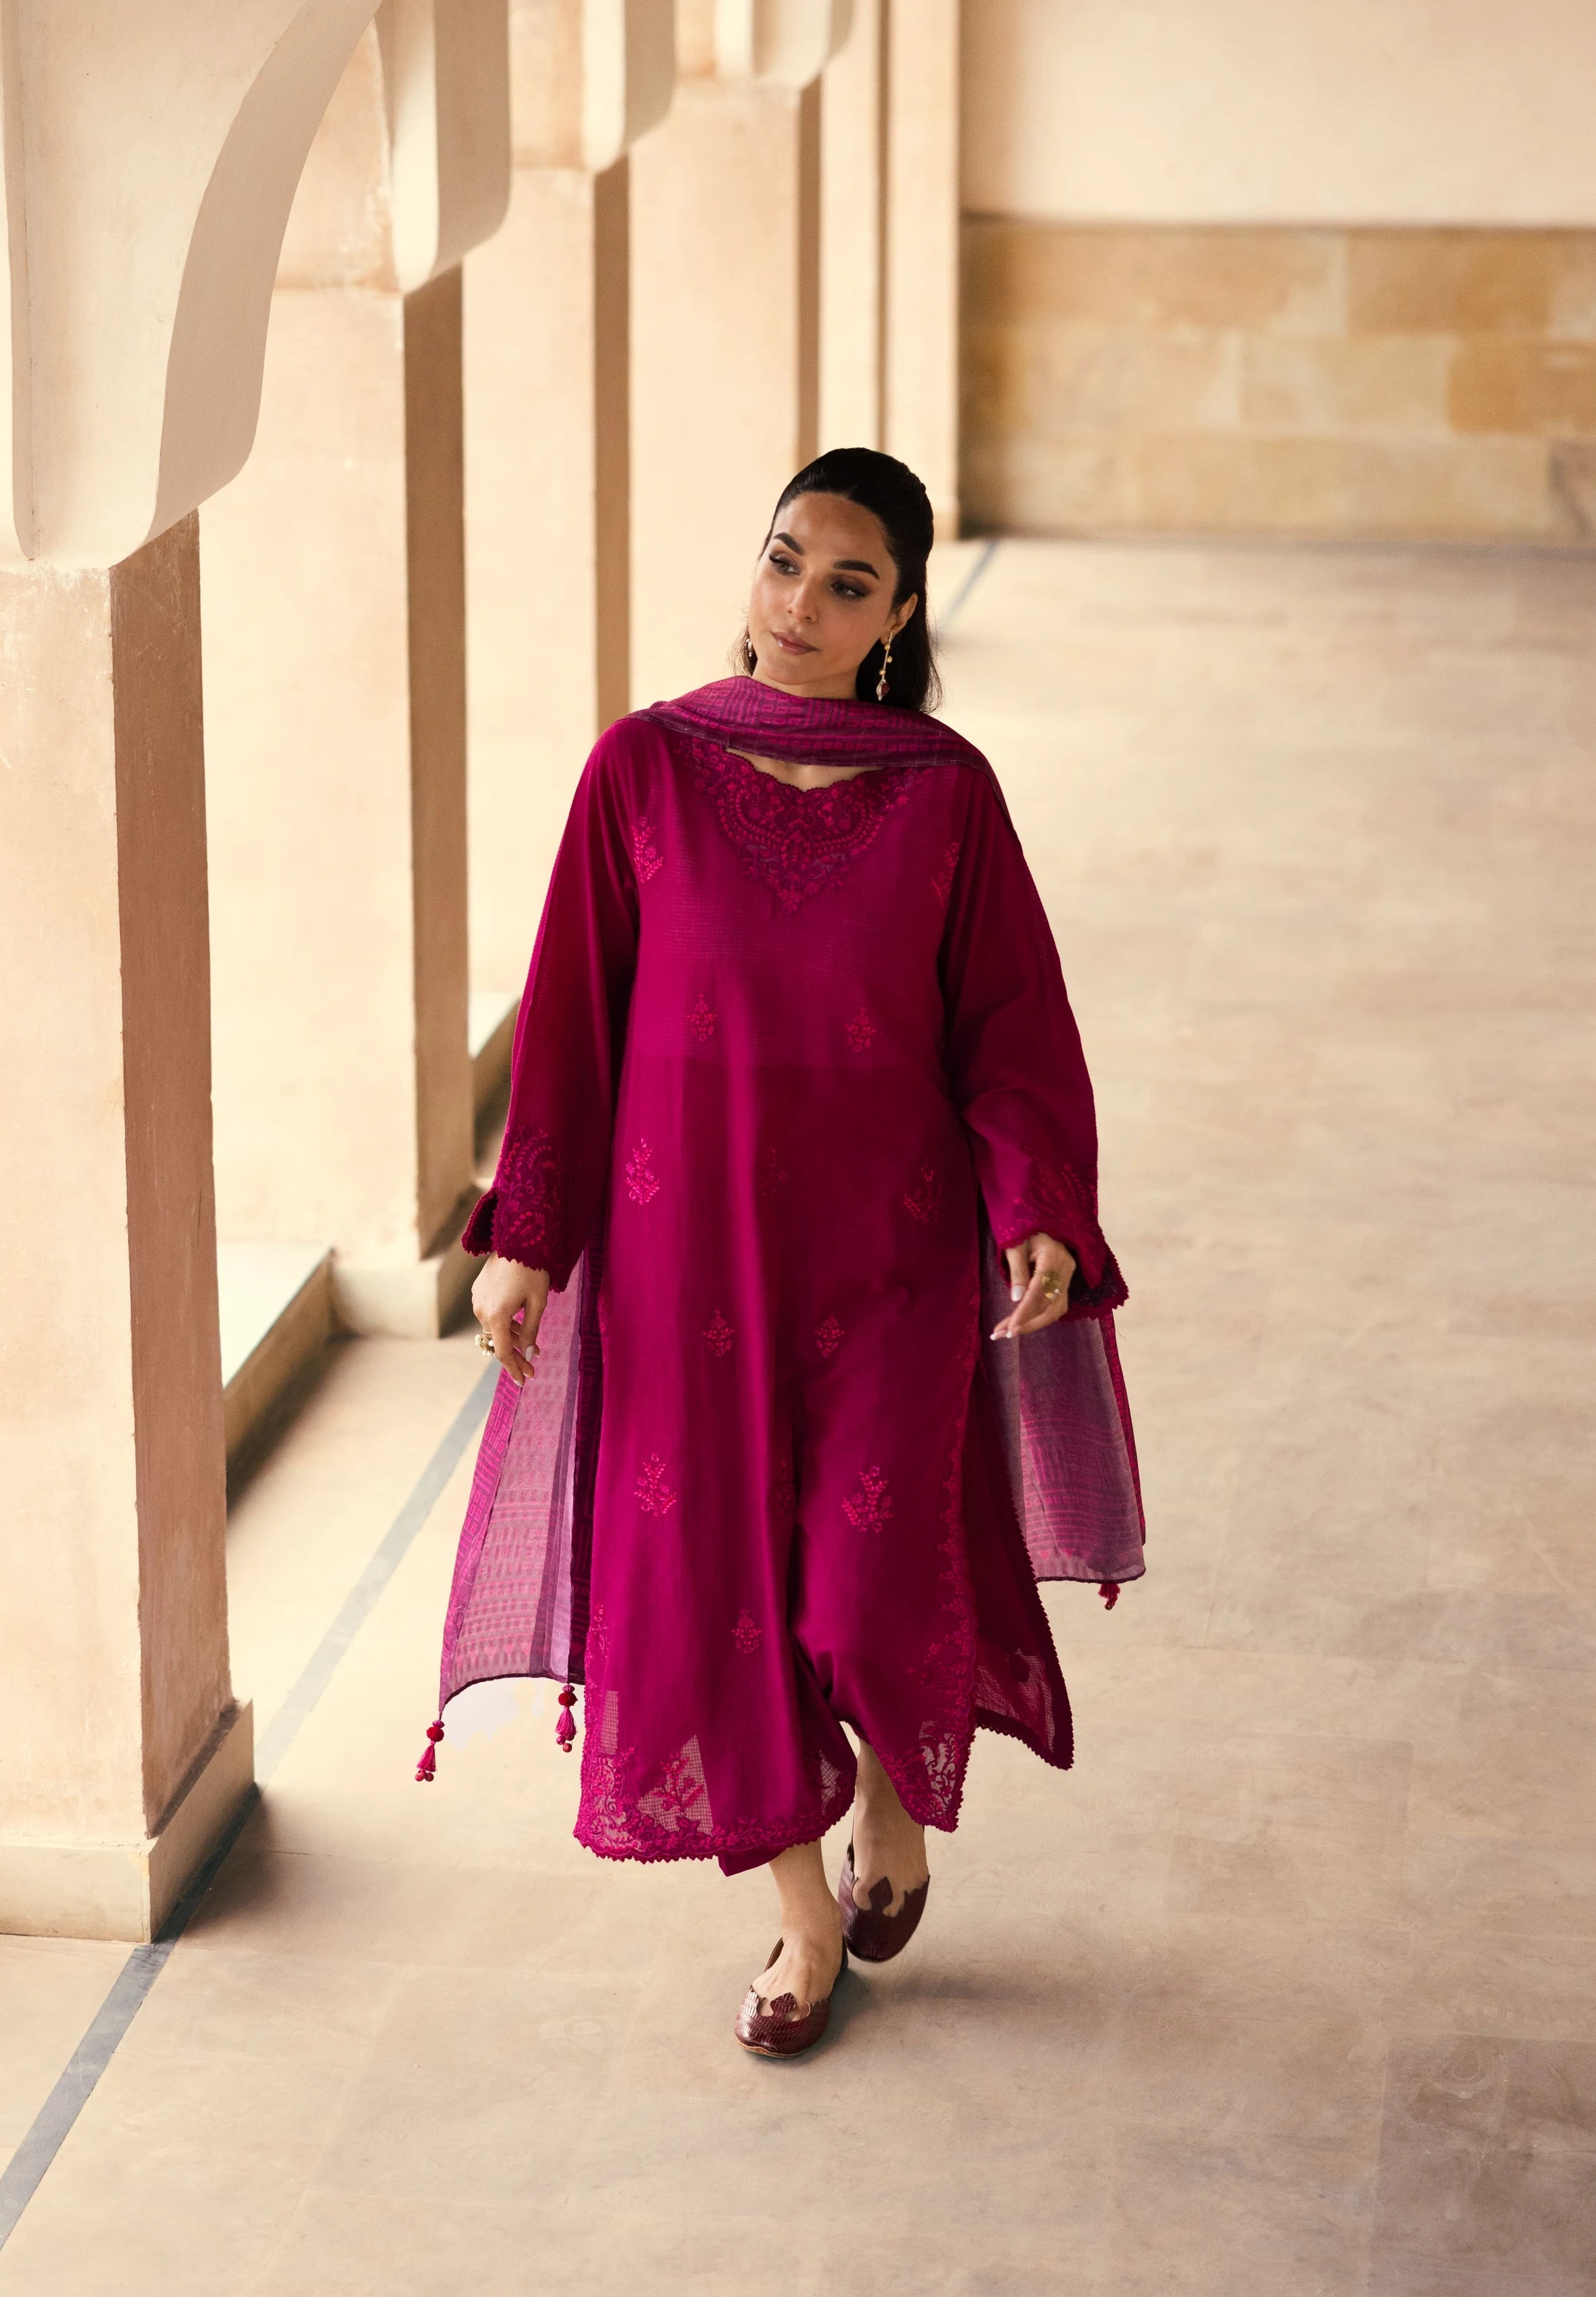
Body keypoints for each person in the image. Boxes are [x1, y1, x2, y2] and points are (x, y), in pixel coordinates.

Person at [421, 447, 1144, 2058]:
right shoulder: (644, 768)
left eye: (849, 583)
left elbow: (1011, 1027)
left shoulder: (945, 793)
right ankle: (805, 1919)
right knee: (712, 1587)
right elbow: (571, 1024)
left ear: (897, 619)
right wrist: (526, 1239)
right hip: (688, 1259)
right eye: (784, 560)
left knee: (874, 1581)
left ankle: (895, 1806)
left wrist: (1033, 1203)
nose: (802, 603)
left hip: (893, 1252)